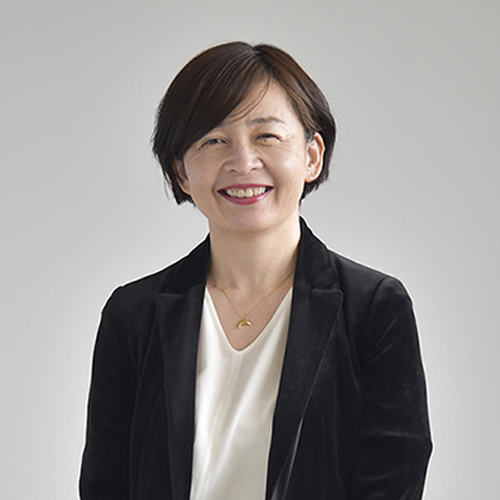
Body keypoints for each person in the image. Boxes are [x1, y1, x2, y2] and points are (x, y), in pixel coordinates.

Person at [79, 41, 432, 500]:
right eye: (213, 140)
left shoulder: (373, 308)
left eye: (267, 136)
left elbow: (392, 481)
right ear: (181, 172)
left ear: (311, 156)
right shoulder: (133, 315)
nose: (242, 162)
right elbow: (105, 485)